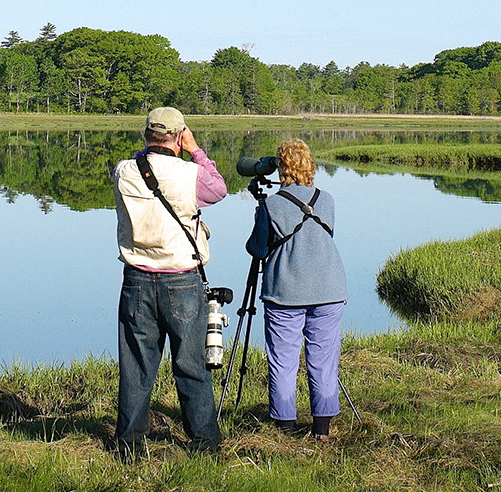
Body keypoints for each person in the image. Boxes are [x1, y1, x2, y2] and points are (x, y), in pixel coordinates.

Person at [111, 106, 227, 458]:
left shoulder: (124, 171)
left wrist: (147, 152)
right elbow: (219, 190)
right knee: (191, 366)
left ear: (145, 135)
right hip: (181, 281)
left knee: (136, 366)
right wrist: (196, 150)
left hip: (136, 279)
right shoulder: (190, 173)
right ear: (178, 136)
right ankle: (205, 444)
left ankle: (129, 447)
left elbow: (137, 161)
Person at [244, 139, 346, 441]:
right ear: (310, 165)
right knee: (324, 360)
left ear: (281, 168)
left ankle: (285, 429)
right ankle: (321, 431)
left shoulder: (271, 204)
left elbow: (258, 249)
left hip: (285, 292)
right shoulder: (326, 199)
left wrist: (259, 211)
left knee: (283, 360)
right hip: (329, 289)